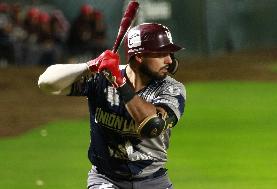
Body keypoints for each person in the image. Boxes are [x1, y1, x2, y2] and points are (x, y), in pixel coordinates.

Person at [38, 23, 186, 189]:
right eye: (161, 54)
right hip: (106, 180)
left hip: (154, 180)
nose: (170, 60)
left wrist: (120, 83)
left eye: (170, 54)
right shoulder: (102, 79)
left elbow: (152, 125)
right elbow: (46, 83)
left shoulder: (171, 89)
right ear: (139, 56)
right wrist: (90, 65)